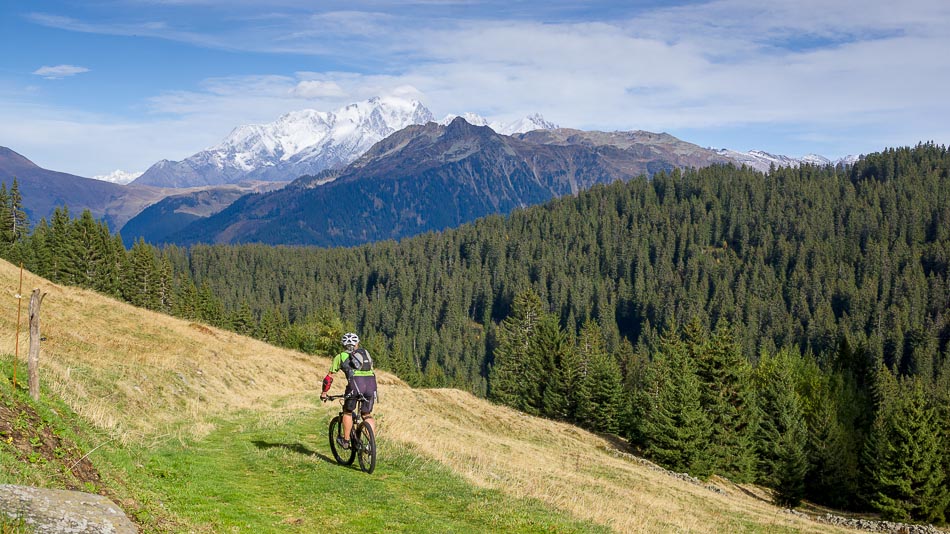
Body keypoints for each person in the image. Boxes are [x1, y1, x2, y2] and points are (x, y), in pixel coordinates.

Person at [320, 332, 377, 449]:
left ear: (344, 345)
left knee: (347, 411)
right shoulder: (365, 354)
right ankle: (371, 445)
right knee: (366, 414)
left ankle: (346, 441)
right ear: (357, 343)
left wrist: (324, 393)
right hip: (371, 384)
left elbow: (329, 378)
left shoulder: (340, 357)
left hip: (356, 385)